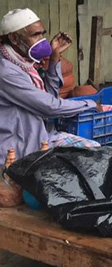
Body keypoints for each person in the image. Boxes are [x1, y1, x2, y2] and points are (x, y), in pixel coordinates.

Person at [0, 9, 104, 159]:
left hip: (43, 136)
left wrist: (55, 58)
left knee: (95, 151)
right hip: (19, 149)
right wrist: (90, 104)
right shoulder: (6, 72)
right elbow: (49, 106)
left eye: (43, 33)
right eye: (35, 35)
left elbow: (48, 96)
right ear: (14, 38)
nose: (42, 40)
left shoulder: (26, 63)